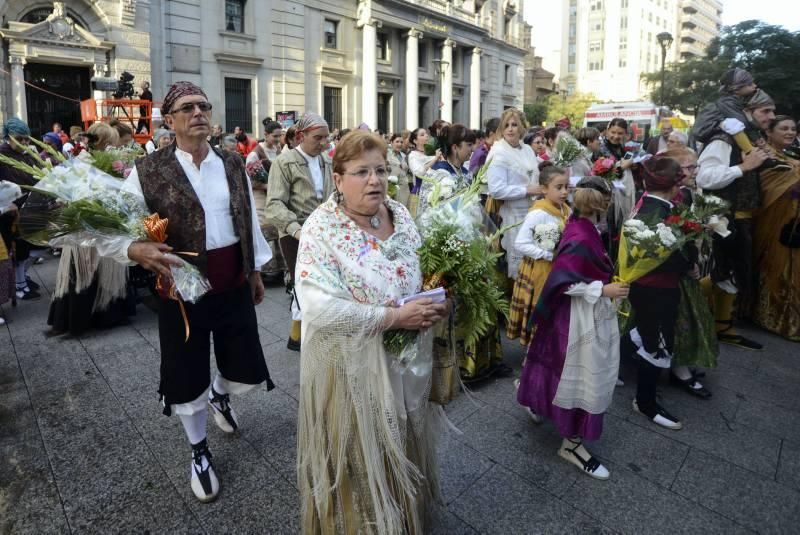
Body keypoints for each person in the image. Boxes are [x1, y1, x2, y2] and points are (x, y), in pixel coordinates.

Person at [98, 81, 275, 503]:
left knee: (242, 362)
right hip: (181, 290)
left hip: (232, 281)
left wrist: (253, 271)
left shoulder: (233, 163)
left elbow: (246, 218)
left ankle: (220, 394)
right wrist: (134, 248)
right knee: (185, 371)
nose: (198, 112)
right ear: (170, 120)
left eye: (204, 106)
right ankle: (198, 450)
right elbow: (108, 228)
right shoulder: (148, 170)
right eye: (187, 107)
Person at [295, 130, 448, 533]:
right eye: (361, 172)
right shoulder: (321, 229)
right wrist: (393, 318)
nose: (375, 180)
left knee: (404, 444)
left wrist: (440, 301)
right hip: (354, 372)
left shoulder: (399, 212)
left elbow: (424, 270)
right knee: (363, 459)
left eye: (380, 170)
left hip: (409, 365)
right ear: (338, 178)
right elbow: (318, 305)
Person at [517, 176, 625, 480]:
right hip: (577, 316)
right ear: (600, 204)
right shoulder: (580, 234)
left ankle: (542, 408)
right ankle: (572, 444)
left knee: (559, 370)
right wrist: (602, 291)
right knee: (578, 374)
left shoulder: (584, 227)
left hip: (577, 315)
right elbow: (566, 282)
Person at [696, 89, 773, 350]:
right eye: (765, 111)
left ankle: (722, 326)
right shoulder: (723, 139)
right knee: (722, 274)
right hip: (724, 218)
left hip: (740, 218)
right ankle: (677, 308)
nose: (770, 117)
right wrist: (743, 167)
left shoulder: (749, 139)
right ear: (747, 112)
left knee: (729, 276)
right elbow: (704, 177)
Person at [628, 157, 696, 430]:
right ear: (673, 186)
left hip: (653, 287)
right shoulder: (655, 212)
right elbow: (659, 256)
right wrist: (688, 262)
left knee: (647, 334)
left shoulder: (653, 203)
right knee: (655, 343)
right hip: (654, 288)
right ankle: (644, 403)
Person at [265, 112, 333, 351]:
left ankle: (308, 332)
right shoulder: (284, 162)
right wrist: (296, 231)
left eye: (327, 137)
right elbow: (273, 204)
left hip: (324, 231)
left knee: (324, 284)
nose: (325, 143)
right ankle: (299, 336)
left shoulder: (326, 160)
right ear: (301, 136)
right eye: (319, 137)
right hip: (296, 233)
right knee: (302, 285)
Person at [507, 163, 571, 346]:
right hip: (539, 269)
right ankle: (535, 355)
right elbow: (521, 243)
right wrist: (548, 255)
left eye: (566, 187)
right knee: (542, 311)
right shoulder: (538, 213)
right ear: (544, 189)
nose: (564, 192)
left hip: (558, 269)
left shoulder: (565, 209)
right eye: (558, 188)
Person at [752, 115, 800, 341]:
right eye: (784, 128)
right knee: (774, 268)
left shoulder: (790, 156)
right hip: (772, 222)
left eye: (793, 129)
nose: (790, 132)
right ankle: (770, 315)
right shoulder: (764, 156)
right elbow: (765, 187)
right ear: (769, 132)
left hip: (793, 220)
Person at [487, 108, 541, 280]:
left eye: (515, 125)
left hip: (531, 210)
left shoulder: (527, 149)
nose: (510, 129)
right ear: (501, 130)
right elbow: (496, 189)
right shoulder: (498, 152)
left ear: (522, 128)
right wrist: (526, 190)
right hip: (510, 213)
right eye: (507, 125)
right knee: (516, 265)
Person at [0, 118, 46, 300]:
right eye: (20, 139)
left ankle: (22, 278)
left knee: (35, 245)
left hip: (31, 205)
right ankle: (19, 285)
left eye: (27, 139)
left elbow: (38, 174)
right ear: (8, 137)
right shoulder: (1, 154)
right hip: (10, 211)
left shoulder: (27, 154)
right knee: (18, 248)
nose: (25, 143)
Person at [407, 127, 440, 217]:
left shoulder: (433, 153)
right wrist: (435, 159)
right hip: (420, 192)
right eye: (422, 135)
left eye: (426, 134)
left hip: (435, 192)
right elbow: (418, 172)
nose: (426, 136)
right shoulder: (413, 155)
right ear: (415, 141)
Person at [387, 132, 411, 207]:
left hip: (404, 188)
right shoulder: (386, 154)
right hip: (391, 187)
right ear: (391, 142)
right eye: (397, 142)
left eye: (401, 142)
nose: (399, 144)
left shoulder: (403, 156)